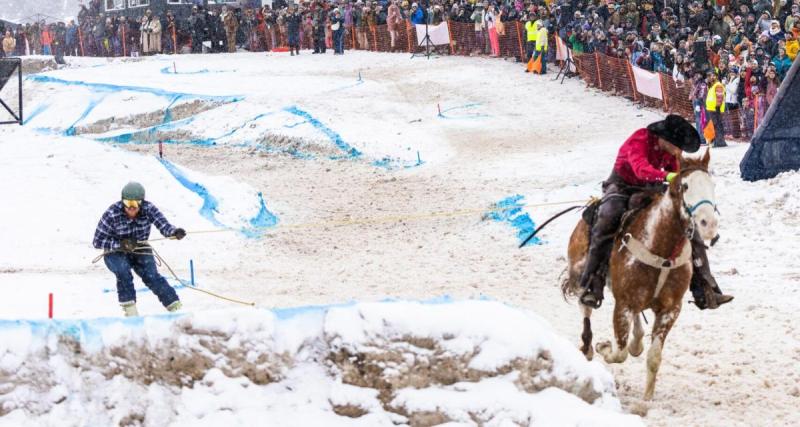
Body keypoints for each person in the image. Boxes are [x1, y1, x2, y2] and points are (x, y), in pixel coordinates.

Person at [578, 115, 734, 310]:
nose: (680, 152)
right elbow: (641, 169)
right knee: (608, 217)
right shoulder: (639, 139)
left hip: (651, 188)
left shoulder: (670, 154)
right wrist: (669, 176)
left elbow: (673, 176)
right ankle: (592, 283)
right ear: (667, 140)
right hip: (621, 185)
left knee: (686, 224)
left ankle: (705, 289)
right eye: (678, 146)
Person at [93, 182, 186, 317]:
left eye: (135, 204)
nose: (131, 208)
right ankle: (131, 314)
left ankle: (176, 308)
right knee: (123, 272)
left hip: (140, 248)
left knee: (152, 276)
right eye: (127, 203)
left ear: (142, 203)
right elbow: (97, 241)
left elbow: (164, 225)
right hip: (115, 251)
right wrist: (120, 244)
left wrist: (174, 232)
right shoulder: (112, 213)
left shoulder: (149, 209)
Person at [705, 72, 727, 147]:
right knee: (714, 125)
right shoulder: (712, 86)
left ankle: (720, 141)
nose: (712, 77)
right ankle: (716, 141)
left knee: (717, 124)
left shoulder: (718, 85)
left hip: (715, 108)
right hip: (711, 108)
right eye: (710, 76)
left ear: (717, 77)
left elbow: (720, 97)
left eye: (714, 76)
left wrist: (717, 108)